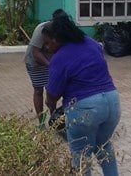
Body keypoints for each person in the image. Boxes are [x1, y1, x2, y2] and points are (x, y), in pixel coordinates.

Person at [42, 15, 121, 176]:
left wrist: (50, 107)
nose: (47, 47)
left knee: (80, 153)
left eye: (48, 43)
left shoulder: (60, 58)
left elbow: (52, 95)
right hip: (112, 101)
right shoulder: (91, 43)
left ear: (57, 39)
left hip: (85, 107)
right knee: (104, 147)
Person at [23, 9, 68, 124]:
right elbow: (36, 53)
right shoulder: (42, 29)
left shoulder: (62, 31)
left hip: (51, 61)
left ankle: (54, 118)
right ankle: (41, 122)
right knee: (38, 90)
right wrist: (51, 65)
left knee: (52, 90)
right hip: (35, 62)